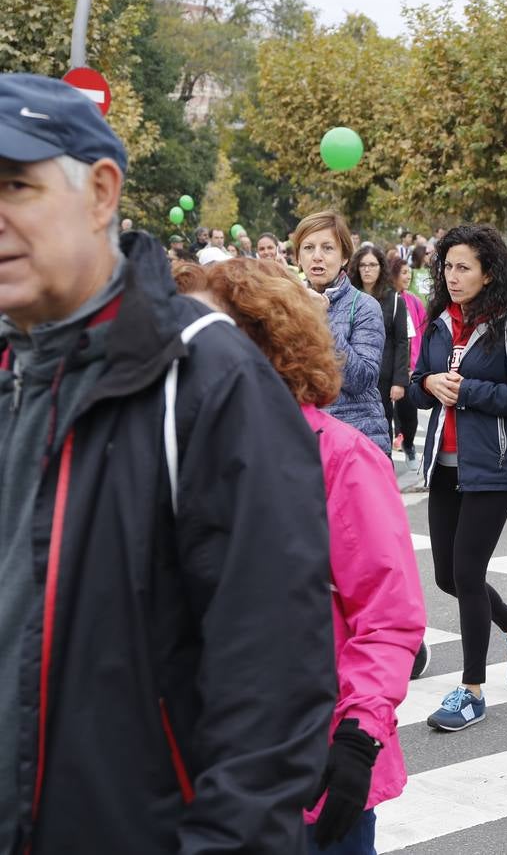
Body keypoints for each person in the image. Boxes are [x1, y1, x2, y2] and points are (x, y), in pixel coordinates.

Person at [0, 73, 334, 851]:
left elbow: (273, 690)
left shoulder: (211, 382)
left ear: (101, 193)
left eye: (16, 185)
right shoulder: (14, 370)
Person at [201, 259, 426, 854]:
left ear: (269, 347)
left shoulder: (341, 458)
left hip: (315, 764)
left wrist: (358, 736)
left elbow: (387, 614)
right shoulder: (178, 453)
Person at [410, 225, 507, 731]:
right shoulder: (438, 322)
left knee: (467, 573)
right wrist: (427, 382)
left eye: (464, 266)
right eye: (447, 266)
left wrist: (467, 391)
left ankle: (470, 691)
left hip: (493, 465)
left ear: (488, 272)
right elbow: (417, 384)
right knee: (448, 575)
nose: (453, 276)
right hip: (443, 464)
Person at [297, 211, 390, 451]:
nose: (317, 256)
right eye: (308, 248)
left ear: (345, 256)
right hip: (305, 441)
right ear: (297, 256)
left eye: (327, 248)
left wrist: (323, 322)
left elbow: (363, 379)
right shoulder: (288, 306)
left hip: (355, 443)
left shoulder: (364, 306)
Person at [352, 247, 410, 452]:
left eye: (372, 265)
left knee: (382, 427)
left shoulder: (394, 301)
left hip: (384, 378)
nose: (367, 270)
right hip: (354, 374)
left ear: (381, 268)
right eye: (363, 265)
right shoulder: (349, 297)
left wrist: (399, 381)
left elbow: (402, 341)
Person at [393, 259, 428, 466]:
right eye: (404, 272)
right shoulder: (385, 299)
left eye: (409, 273)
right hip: (388, 366)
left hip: (411, 366)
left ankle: (409, 444)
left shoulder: (413, 301)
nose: (408, 277)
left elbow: (423, 331)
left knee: (409, 409)